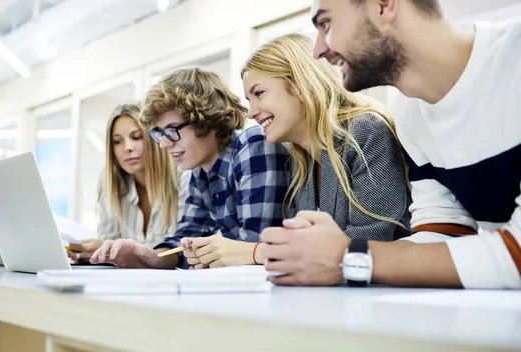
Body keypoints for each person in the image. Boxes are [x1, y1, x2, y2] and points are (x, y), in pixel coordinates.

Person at [261, 0, 521, 289]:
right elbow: (444, 234)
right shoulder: (411, 110)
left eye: (325, 23)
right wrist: (325, 256)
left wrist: (351, 257)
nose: (318, 50)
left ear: (383, 4)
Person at [90, 67, 290, 269]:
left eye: (172, 130)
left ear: (207, 119)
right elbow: (185, 242)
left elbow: (252, 250)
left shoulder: (252, 145)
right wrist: (145, 255)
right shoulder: (200, 173)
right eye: (159, 133)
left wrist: (207, 256)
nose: (164, 144)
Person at [242, 33, 410, 244]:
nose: (251, 113)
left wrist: (256, 253)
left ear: (299, 86)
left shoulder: (365, 132)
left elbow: (370, 241)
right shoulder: (302, 162)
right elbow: (299, 243)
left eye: (258, 93)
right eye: (249, 101)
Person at [67, 103, 189, 262]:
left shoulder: (184, 177)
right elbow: (108, 238)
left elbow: (186, 248)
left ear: (155, 137)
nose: (127, 147)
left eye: (136, 137)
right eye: (117, 141)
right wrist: (98, 251)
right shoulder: (110, 183)